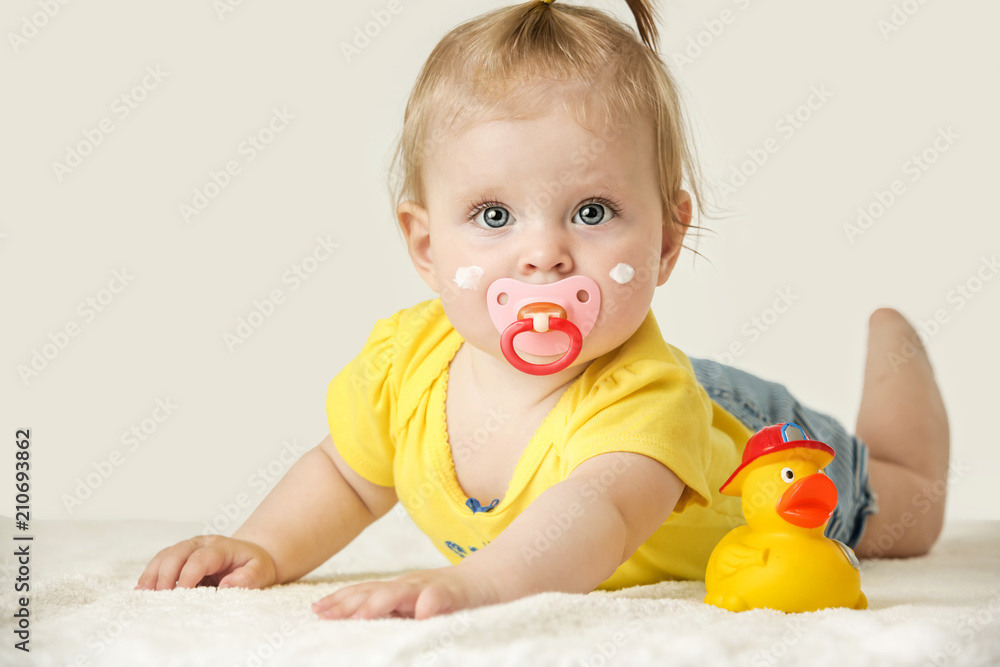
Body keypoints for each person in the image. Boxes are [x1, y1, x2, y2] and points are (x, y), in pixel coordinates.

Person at [135, 0, 950, 620]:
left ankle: (898, 370)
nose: (543, 254)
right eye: (494, 216)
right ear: (425, 245)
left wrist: (476, 583)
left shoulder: (649, 401)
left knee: (902, 516)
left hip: (749, 444)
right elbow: (347, 477)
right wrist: (263, 546)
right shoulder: (405, 365)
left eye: (592, 212)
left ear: (668, 239)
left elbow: (593, 514)